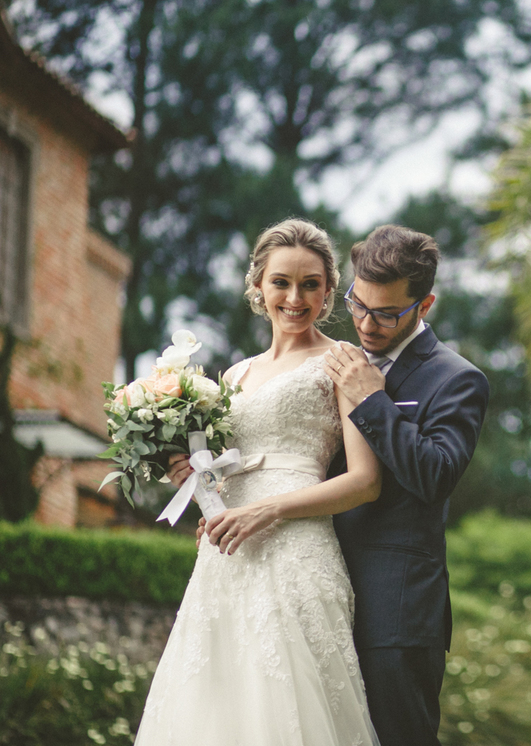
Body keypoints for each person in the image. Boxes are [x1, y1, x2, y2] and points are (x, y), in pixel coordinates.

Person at [137, 219, 383, 746]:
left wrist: (266, 511)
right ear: (257, 287)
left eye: (310, 284)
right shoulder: (233, 377)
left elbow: (365, 482)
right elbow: (225, 467)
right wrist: (197, 479)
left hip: (296, 547)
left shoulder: (342, 361)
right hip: (226, 553)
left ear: (328, 291)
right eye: (281, 282)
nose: (295, 298)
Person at [321, 224, 489, 746]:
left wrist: (374, 401)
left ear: (425, 304)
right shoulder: (328, 363)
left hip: (394, 613)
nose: (366, 324)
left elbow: (434, 476)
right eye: (358, 305)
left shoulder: (457, 380)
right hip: (313, 590)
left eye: (387, 313)